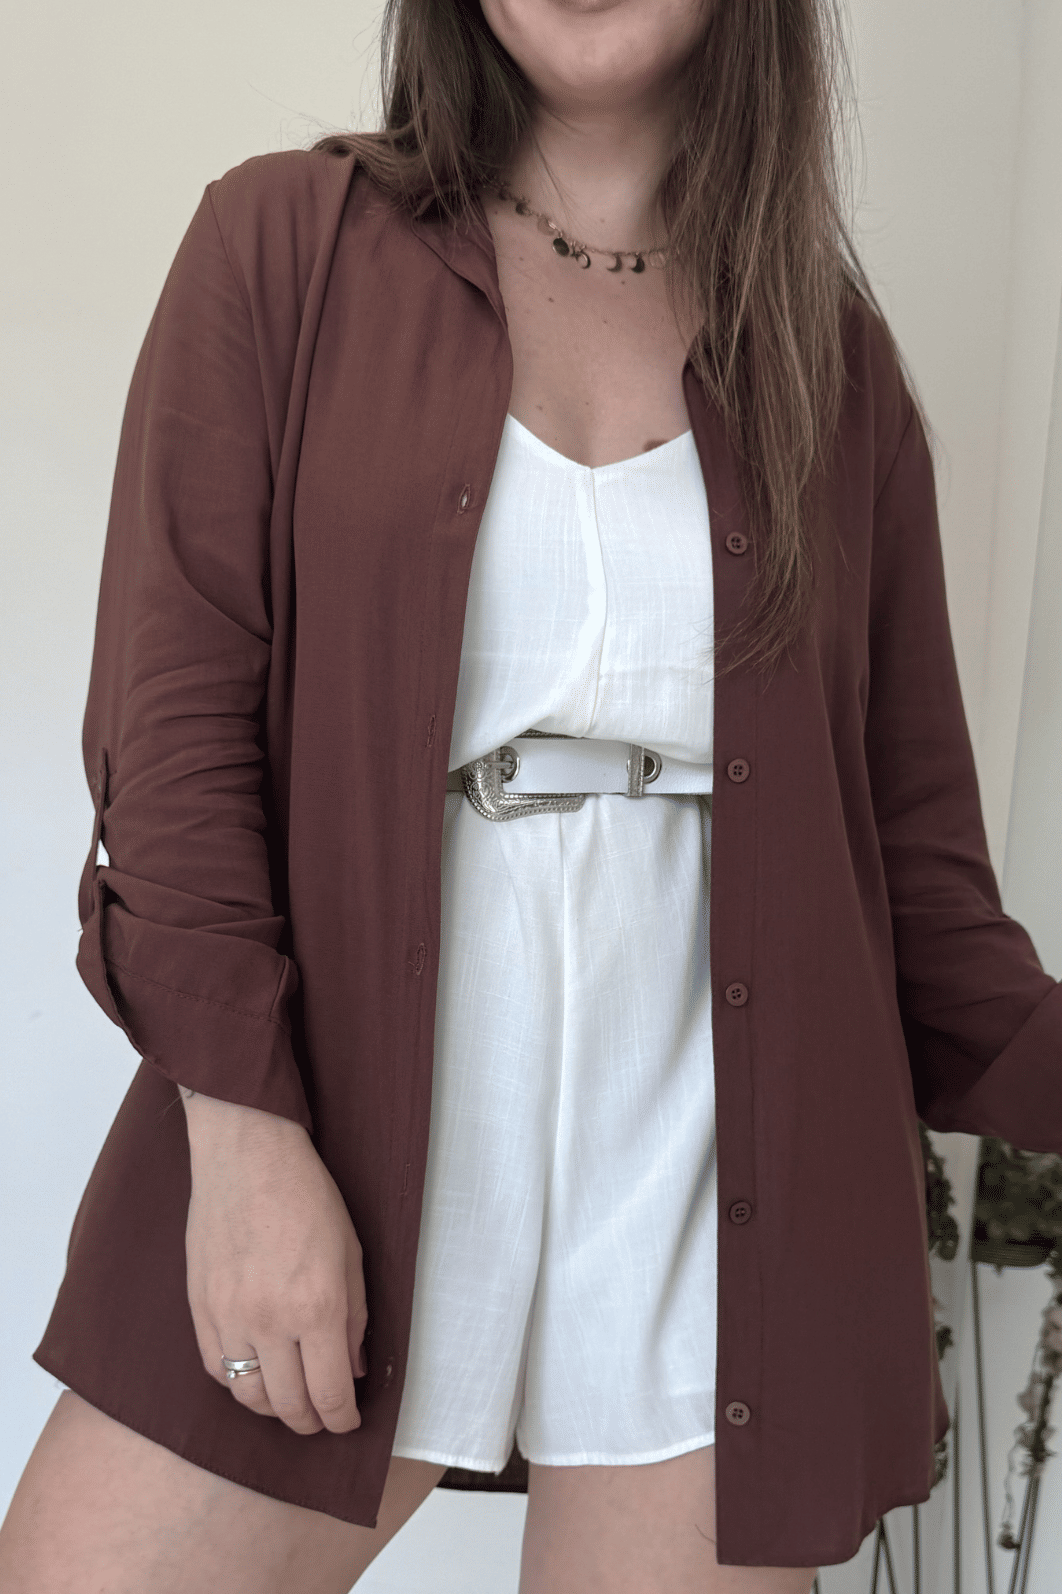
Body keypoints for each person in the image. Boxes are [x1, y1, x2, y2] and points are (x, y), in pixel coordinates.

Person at [7, 0, 1060, 1589]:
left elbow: (918, 901)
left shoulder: (829, 363)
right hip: (342, 1113)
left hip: (715, 1183)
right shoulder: (284, 246)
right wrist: (244, 1139)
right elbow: (171, 740)